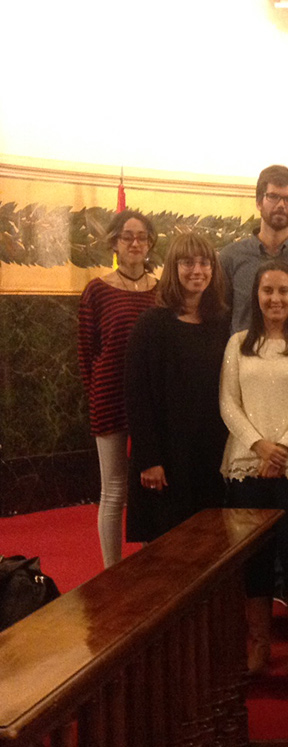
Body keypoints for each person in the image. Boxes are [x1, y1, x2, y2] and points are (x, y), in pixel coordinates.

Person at [220, 259, 288, 676]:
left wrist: (283, 447)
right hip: (248, 466)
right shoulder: (237, 344)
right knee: (256, 558)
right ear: (256, 296)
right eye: (268, 290)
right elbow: (228, 403)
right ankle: (261, 644)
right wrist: (260, 446)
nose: (276, 298)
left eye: (283, 290)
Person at [124, 233, 230, 545]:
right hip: (167, 455)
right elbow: (137, 396)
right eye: (188, 263)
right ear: (174, 268)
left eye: (204, 263)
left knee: (208, 542)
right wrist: (149, 459)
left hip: (209, 452)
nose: (197, 270)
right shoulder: (151, 324)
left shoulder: (222, 323)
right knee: (167, 548)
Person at [78, 210, 159, 568]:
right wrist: (96, 394)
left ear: (151, 243)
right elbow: (87, 351)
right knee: (113, 491)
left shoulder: (162, 291)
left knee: (152, 487)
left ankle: (152, 566)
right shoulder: (97, 290)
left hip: (152, 403)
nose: (135, 243)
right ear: (114, 242)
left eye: (142, 237)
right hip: (110, 398)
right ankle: (111, 571)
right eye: (127, 236)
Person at [220, 164, 288, 334]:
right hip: (244, 350)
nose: (281, 205)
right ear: (259, 202)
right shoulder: (230, 257)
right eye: (273, 196)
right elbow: (220, 319)